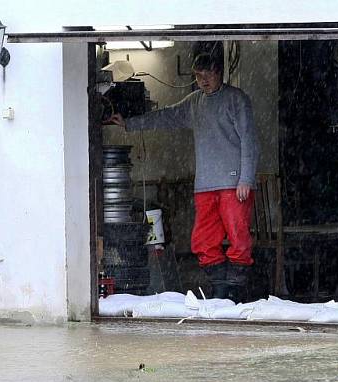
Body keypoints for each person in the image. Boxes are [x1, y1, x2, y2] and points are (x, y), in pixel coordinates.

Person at [109, 53, 259, 302]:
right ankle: (220, 292)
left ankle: (234, 293)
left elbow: (249, 140)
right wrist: (130, 124)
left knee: (238, 237)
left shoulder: (236, 100)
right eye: (198, 76)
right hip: (205, 184)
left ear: (219, 72)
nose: (203, 81)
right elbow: (167, 116)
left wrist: (246, 178)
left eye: (207, 75)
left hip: (234, 183)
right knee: (203, 241)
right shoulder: (194, 102)